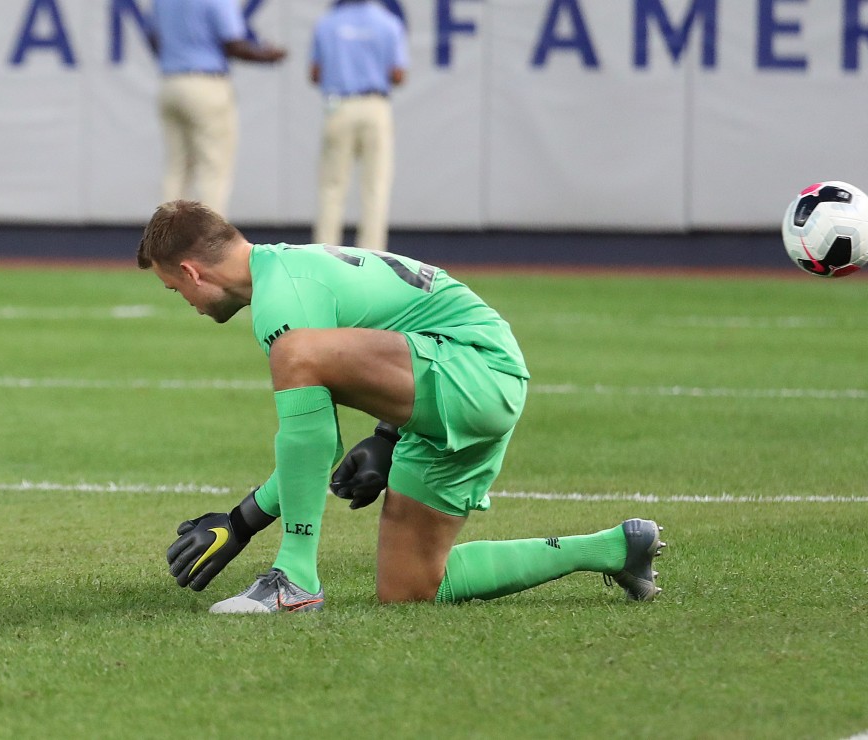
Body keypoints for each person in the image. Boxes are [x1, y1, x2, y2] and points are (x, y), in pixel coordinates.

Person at [138, 200, 666, 613]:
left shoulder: (283, 299)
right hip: (464, 385)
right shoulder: (285, 268)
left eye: (173, 288)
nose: (183, 301)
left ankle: (294, 580)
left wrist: (242, 521)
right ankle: (613, 549)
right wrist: (388, 437)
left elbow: (319, 447)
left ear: (192, 271)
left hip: (474, 370)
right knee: (411, 587)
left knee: (295, 353)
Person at [148, 0, 287, 216]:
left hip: (171, 81)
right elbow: (234, 44)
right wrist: (267, 56)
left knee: (176, 169)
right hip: (206, 83)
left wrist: (177, 55)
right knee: (213, 170)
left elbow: (153, 38)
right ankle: (209, 245)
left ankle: (162, 242)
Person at [309, 0, 408, 251]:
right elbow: (398, 74)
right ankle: (373, 256)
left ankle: (325, 255)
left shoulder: (327, 23)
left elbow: (315, 73)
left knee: (332, 187)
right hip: (375, 105)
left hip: (339, 106)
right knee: (376, 187)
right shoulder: (388, 22)